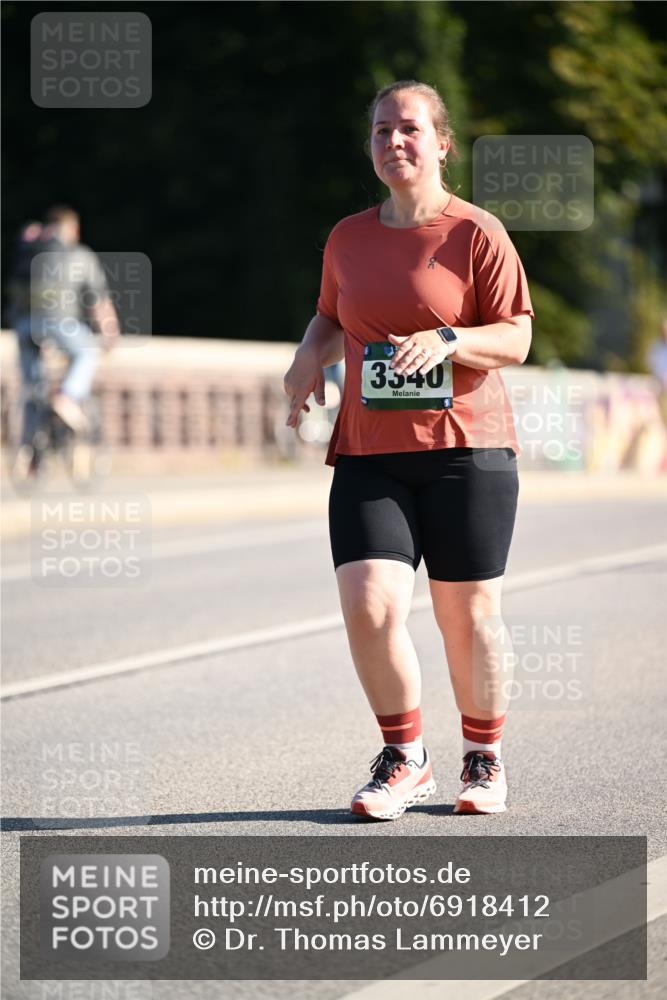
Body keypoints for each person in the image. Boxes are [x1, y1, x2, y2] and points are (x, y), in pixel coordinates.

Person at [283, 80, 534, 820]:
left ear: (441, 142)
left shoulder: (475, 233)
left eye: (410, 129)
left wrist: (449, 338)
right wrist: (305, 357)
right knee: (368, 605)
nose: (394, 141)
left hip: (467, 450)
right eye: (381, 131)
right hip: (368, 449)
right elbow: (330, 318)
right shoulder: (348, 237)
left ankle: (483, 754)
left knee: (469, 616)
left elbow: (516, 336)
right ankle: (405, 757)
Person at [10, 205, 121, 442]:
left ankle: (30, 451)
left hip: (25, 326)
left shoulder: (31, 251)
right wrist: (110, 333)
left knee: (33, 386)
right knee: (87, 351)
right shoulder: (80, 255)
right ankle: (67, 396)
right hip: (60, 323)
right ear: (74, 230)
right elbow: (98, 301)